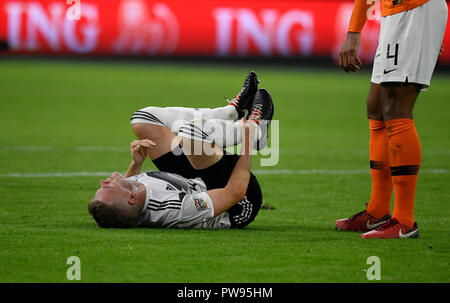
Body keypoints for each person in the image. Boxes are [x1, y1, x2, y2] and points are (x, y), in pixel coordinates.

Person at [88, 72, 275, 229]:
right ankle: (257, 129)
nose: (103, 181)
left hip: (193, 180)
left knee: (143, 120)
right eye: (108, 187)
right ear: (132, 198)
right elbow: (235, 192)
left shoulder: (133, 197)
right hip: (236, 201)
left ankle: (230, 113)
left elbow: (129, 185)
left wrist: (136, 163)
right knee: (190, 136)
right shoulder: (177, 208)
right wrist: (248, 142)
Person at [335, 0, 447, 238]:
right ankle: (377, 212)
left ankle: (404, 221)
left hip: (415, 9)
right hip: (397, 12)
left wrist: (354, 32)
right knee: (376, 107)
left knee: (396, 106)